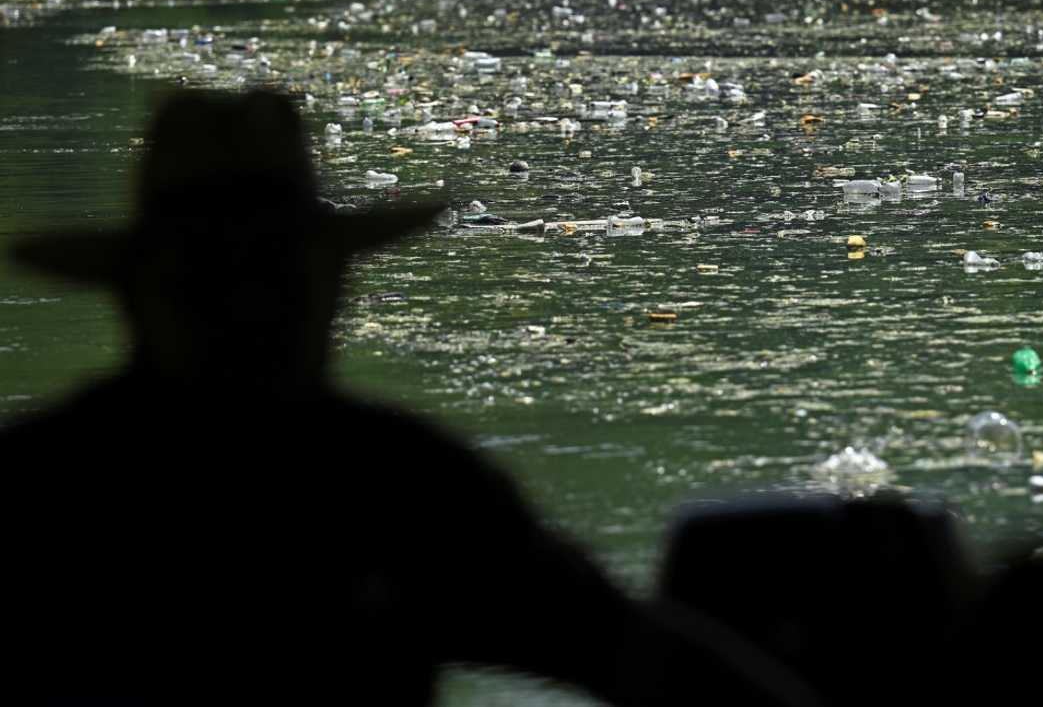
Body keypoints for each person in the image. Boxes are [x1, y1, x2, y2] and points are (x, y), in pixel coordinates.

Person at [5, 89, 821, 707]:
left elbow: (625, 647)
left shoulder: (42, 485)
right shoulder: (395, 484)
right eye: (218, 281)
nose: (252, 311)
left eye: (273, 275)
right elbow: (638, 655)